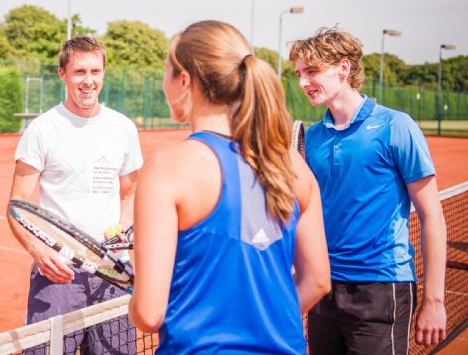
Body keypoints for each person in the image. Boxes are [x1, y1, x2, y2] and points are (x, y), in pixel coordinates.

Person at [128, 20, 331, 354]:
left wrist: (137, 294)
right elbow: (319, 279)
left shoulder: (168, 167)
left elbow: (150, 314)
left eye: (166, 73)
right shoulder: (293, 164)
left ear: (184, 80)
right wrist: (262, 324)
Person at [289, 27, 447, 354]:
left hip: (380, 287)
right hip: (323, 289)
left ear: (344, 69)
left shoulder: (395, 127)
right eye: (300, 73)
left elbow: (432, 215)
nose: (303, 82)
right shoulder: (313, 138)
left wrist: (434, 299)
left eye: (312, 71)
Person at [7, 35, 143, 354]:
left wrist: (122, 233)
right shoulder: (42, 129)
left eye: (95, 72)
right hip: (58, 274)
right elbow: (17, 206)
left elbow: (132, 192)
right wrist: (40, 252)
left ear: (104, 74)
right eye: (80, 72)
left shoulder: (123, 128)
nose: (88, 81)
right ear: (63, 74)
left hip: (113, 272)